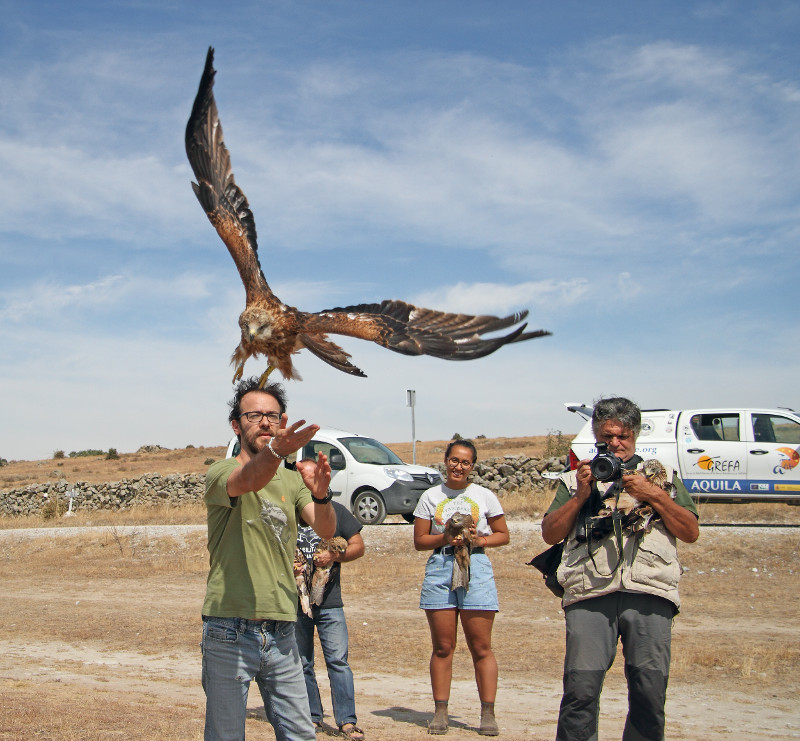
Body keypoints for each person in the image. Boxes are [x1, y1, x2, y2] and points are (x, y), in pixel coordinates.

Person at [541, 397, 700, 741]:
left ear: (635, 435)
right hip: (590, 593)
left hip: (649, 592)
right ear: (596, 435)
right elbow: (550, 533)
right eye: (606, 436)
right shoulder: (575, 479)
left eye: (622, 436)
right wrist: (581, 496)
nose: (614, 443)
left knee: (649, 692)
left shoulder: (663, 476)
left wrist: (653, 495)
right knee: (580, 691)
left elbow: (690, 532)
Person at [201, 377, 336, 741]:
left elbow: (325, 529)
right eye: (253, 415)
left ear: (282, 420)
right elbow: (249, 479)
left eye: (272, 415)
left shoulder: (292, 481)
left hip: (281, 628)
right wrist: (277, 453)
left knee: (300, 734)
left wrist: (322, 496)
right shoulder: (221, 472)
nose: (264, 422)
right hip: (229, 628)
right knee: (226, 735)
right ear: (236, 425)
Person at [413, 439, 510, 736]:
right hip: (441, 568)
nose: (459, 466)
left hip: (476, 567)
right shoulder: (430, 496)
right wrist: (445, 539)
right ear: (445, 461)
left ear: (472, 467)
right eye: (454, 460)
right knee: (443, 647)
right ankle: (440, 712)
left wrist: (477, 540)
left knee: (481, 647)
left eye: (465, 462)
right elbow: (419, 541)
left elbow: (503, 535)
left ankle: (487, 713)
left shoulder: (483, 495)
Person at [294, 499, 366, 740]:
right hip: (295, 602)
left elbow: (358, 545)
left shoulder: (337, 511)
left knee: (338, 661)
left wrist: (334, 557)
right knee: (302, 663)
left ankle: (347, 721)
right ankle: (312, 717)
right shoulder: (288, 511)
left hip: (330, 602)